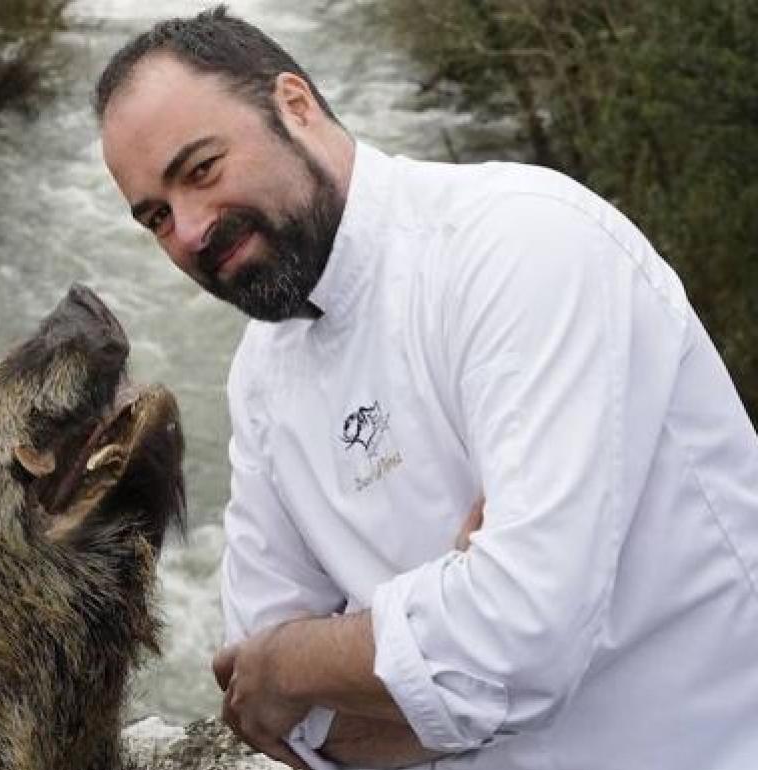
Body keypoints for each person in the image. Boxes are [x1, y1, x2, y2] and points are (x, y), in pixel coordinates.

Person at [95, 6, 758, 770]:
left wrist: (296, 659)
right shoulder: (261, 373)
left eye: (202, 169)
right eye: (154, 216)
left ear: (295, 106)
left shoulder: (521, 244)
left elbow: (519, 639)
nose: (187, 230)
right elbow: (266, 708)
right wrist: (444, 625)